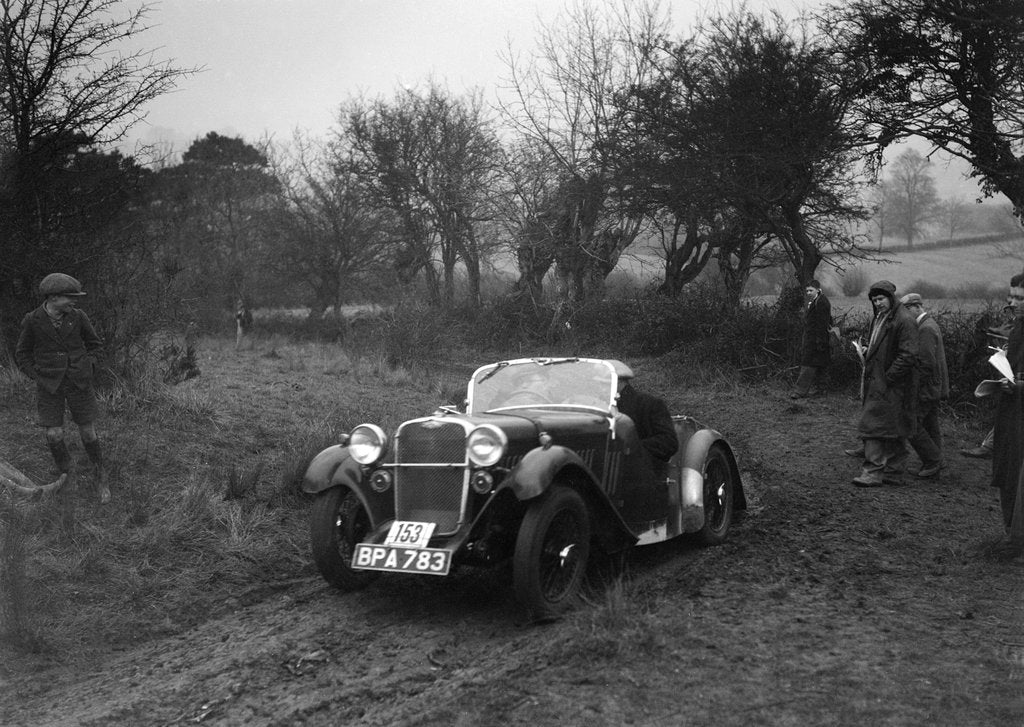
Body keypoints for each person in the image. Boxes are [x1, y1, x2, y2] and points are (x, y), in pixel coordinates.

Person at [14, 273, 110, 504]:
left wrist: (89, 367)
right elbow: (22, 354)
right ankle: (68, 475)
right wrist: (37, 376)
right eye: (70, 297)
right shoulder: (33, 320)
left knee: (88, 431)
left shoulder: (78, 317)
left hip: (79, 381)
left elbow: (96, 346)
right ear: (54, 297)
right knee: (53, 433)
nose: (74, 302)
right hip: (50, 385)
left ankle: (101, 476)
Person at [851, 280, 919, 488]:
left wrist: (889, 377)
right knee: (892, 427)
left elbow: (908, 355)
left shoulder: (904, 320)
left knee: (872, 426)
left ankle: (872, 472)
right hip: (880, 381)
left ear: (890, 298)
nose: (877, 303)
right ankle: (894, 471)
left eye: (880, 299)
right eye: (874, 300)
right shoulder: (881, 317)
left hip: (892, 384)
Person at [900, 293, 949, 479]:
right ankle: (934, 463)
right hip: (934, 386)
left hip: (927, 387)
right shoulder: (929, 324)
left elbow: (926, 362)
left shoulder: (925, 328)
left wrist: (914, 387)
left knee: (910, 424)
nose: (904, 316)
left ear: (916, 307)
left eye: (906, 310)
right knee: (930, 424)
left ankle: (934, 460)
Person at [990, 273, 1024, 541]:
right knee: (1007, 473)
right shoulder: (1018, 327)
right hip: (1012, 414)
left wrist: (1018, 386)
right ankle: (1011, 534)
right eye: (1011, 296)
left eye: (1020, 298)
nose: (1012, 303)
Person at [612, 361, 679, 476]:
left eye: (603, 382)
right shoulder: (595, 407)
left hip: (641, 475)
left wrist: (632, 448)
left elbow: (668, 442)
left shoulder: (649, 404)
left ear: (619, 381)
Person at [792, 279, 832, 399]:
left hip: (816, 340)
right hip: (816, 339)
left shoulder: (821, 302)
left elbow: (823, 323)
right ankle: (821, 391)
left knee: (808, 364)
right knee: (820, 365)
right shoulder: (817, 300)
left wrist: (819, 341)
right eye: (807, 291)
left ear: (818, 290)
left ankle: (799, 392)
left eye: (811, 290)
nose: (808, 293)